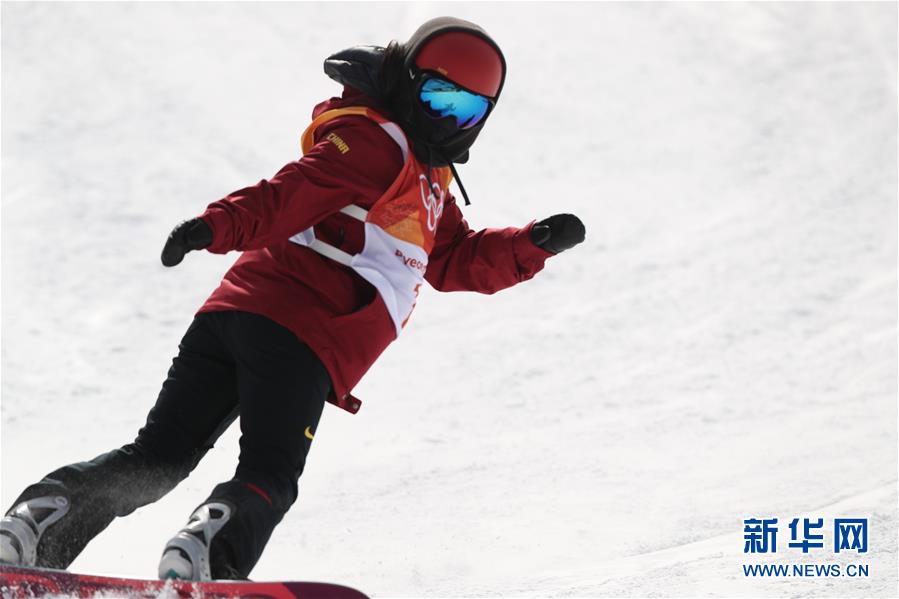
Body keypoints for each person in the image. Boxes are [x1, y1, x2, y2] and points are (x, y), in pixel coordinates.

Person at [0, 16, 585, 580]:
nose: (448, 119)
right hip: (303, 331)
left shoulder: (426, 182)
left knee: (158, 459)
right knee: (270, 474)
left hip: (233, 318)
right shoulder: (378, 146)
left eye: (465, 109)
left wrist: (530, 245)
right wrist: (217, 226)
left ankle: (35, 528)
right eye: (437, 98)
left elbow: (454, 259)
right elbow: (294, 191)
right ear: (408, 84)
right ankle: (209, 553)